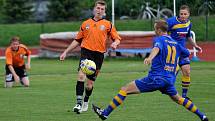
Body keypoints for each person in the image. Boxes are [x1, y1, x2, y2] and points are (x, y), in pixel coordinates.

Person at [92, 20, 208, 121]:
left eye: (154, 29)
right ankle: (202, 116)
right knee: (179, 99)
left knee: (124, 89)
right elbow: (187, 53)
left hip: (156, 78)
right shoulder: (176, 43)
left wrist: (149, 58)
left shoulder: (160, 40)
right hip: (169, 80)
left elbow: (156, 48)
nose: (154, 31)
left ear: (158, 30)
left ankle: (105, 113)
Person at [59, 0, 121, 114]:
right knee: (81, 75)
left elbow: (117, 38)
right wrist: (65, 52)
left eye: (102, 9)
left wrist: (115, 43)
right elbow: (77, 40)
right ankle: (78, 103)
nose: (99, 10)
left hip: (98, 56)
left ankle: (86, 101)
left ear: (104, 11)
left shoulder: (108, 24)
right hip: (86, 53)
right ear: (94, 9)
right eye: (98, 8)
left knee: (89, 85)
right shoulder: (85, 23)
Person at [166, 5, 202, 98]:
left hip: (182, 51)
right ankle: (170, 90)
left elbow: (188, 36)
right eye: (181, 14)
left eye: (185, 14)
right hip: (173, 51)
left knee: (187, 71)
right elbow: (163, 33)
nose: (183, 15)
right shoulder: (171, 22)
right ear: (179, 14)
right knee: (173, 72)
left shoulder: (189, 23)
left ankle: (184, 96)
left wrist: (195, 46)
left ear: (188, 14)